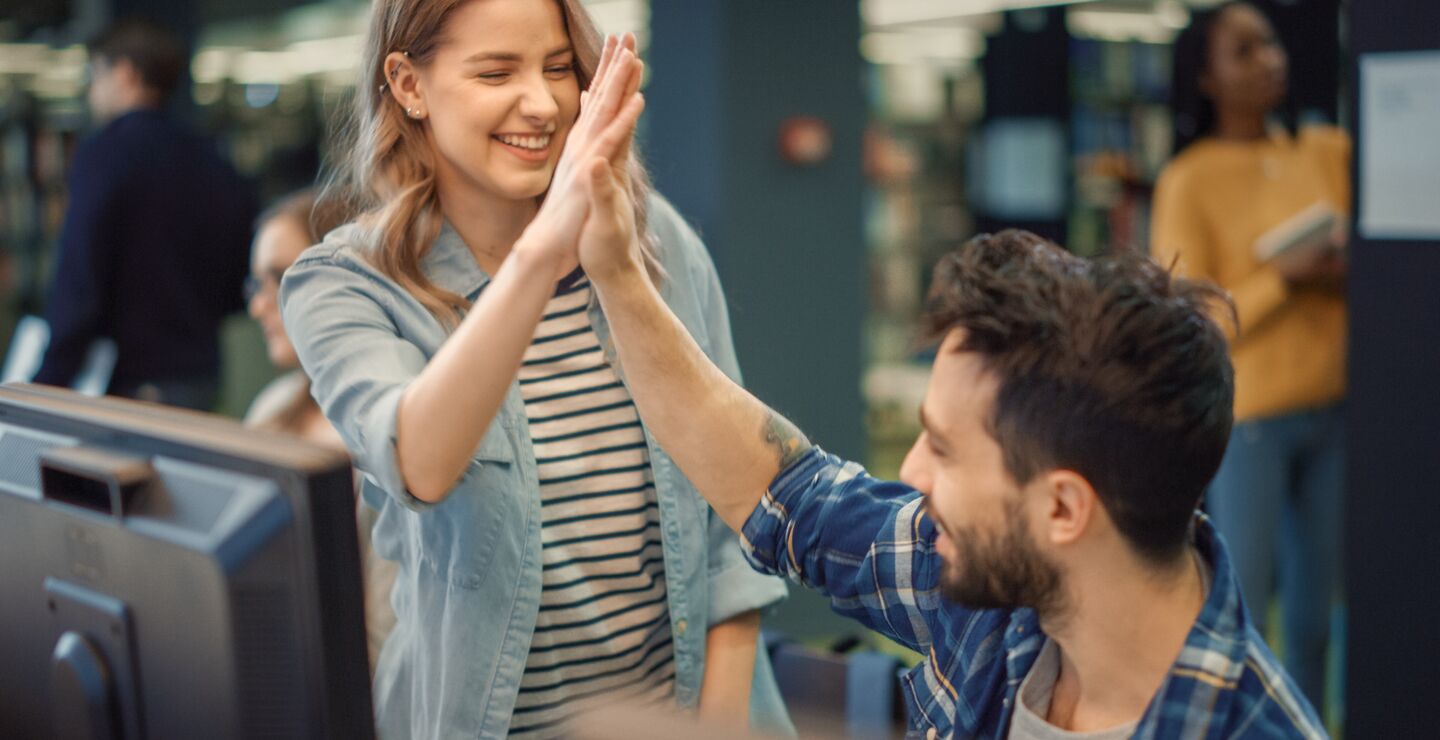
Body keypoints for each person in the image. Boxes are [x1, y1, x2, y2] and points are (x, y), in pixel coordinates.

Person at [570, 159, 1326, 737]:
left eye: (944, 449)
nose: (911, 470)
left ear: (1063, 509)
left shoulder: (1247, 724)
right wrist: (617, 274)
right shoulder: (1008, 599)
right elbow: (785, 492)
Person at [277, 2, 788, 737]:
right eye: (496, 73)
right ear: (409, 84)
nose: (544, 104)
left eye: (557, 68)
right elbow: (418, 461)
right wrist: (546, 246)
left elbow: (734, 523)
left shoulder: (656, 244)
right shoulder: (345, 285)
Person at [1150, 1, 1348, 713]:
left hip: (1336, 410)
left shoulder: (1327, 151)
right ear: (1205, 77)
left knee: (1318, 618)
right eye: (1245, 50)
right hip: (1250, 422)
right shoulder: (1189, 179)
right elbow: (1191, 318)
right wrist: (1282, 279)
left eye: (1270, 44)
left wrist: (1336, 269)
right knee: (1244, 612)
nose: (1270, 60)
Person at [34, 18, 257, 410]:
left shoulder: (103, 155)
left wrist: (49, 378)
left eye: (95, 75)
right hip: (201, 370)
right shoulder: (210, 156)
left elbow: (81, 273)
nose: (92, 91)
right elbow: (241, 264)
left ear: (125, 73)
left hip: (131, 379)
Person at [243, 189, 398, 670]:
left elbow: (384, 641)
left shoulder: (386, 433)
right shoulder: (273, 409)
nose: (259, 306)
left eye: (279, 278)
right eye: (256, 285)